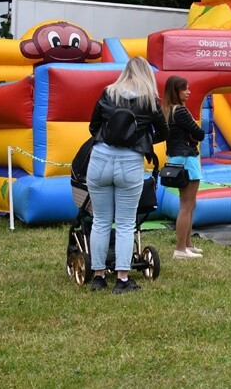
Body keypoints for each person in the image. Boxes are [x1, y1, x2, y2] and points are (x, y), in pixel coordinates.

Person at [86, 56, 168, 294]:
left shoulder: (107, 93)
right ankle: (122, 279)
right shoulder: (149, 100)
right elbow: (163, 131)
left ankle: (99, 276)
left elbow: (93, 127)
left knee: (100, 220)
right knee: (125, 223)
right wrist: (141, 140)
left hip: (100, 159)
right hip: (130, 162)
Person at [162, 75, 206, 259]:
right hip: (187, 159)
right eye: (185, 89)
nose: (188, 92)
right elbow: (200, 133)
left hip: (176, 158)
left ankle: (187, 244)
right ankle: (180, 249)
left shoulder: (167, 111)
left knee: (189, 203)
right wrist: (194, 135)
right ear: (176, 91)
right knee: (187, 205)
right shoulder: (180, 111)